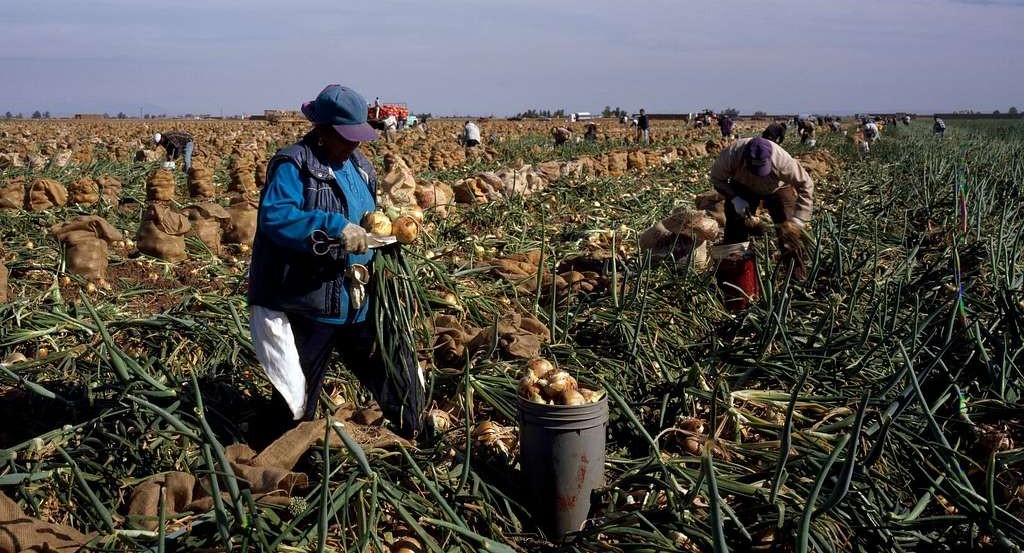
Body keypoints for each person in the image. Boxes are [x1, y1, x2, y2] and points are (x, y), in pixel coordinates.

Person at [247, 84, 425, 441]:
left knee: (397, 373)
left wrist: (391, 225)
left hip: (359, 300)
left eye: (358, 136)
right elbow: (276, 218)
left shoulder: (359, 165)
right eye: (346, 137)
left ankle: (418, 436)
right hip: (311, 303)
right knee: (295, 400)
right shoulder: (293, 164)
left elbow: (368, 215)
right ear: (323, 130)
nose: (354, 144)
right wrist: (333, 226)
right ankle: (278, 460)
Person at [710, 137, 814, 279]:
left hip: (777, 188)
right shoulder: (731, 154)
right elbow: (717, 179)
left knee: (789, 233)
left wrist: (799, 219)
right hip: (743, 187)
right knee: (735, 226)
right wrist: (735, 198)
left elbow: (806, 184)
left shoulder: (783, 161)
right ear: (746, 159)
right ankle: (735, 275)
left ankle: (797, 276)